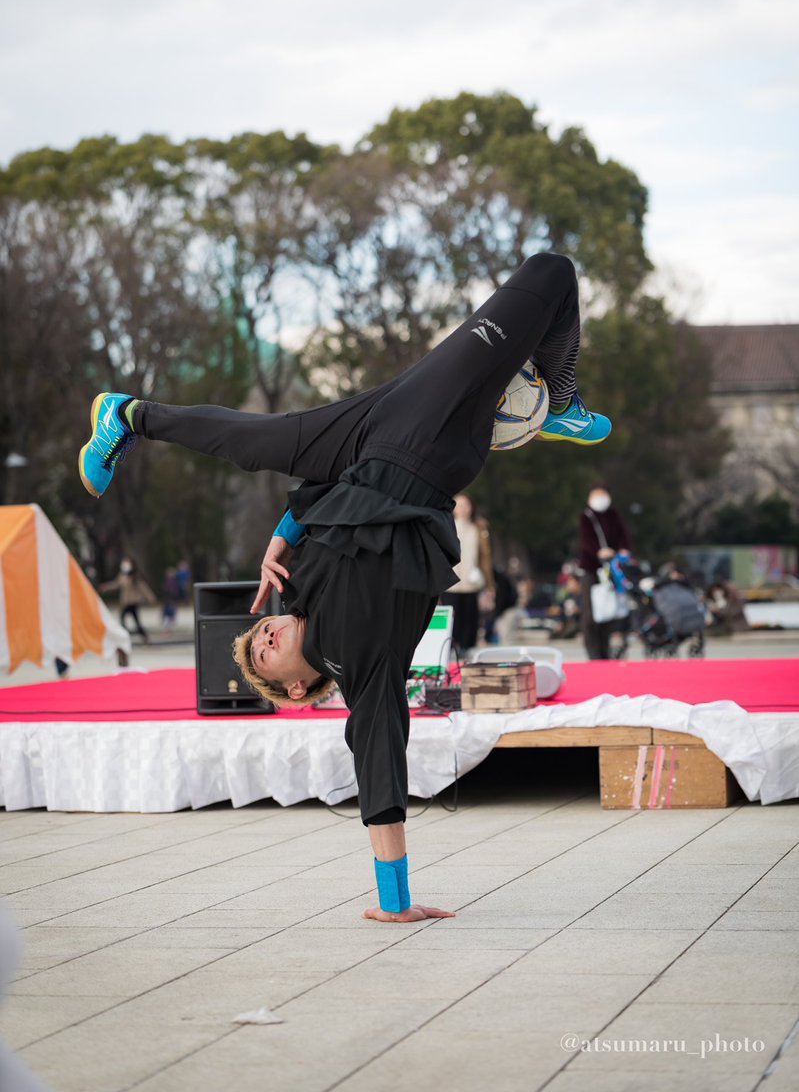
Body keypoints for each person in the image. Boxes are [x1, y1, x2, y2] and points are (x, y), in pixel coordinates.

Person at [78, 251, 611, 923]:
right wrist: (395, 901)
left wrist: (284, 533)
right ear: (297, 688)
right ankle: (554, 401)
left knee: (249, 440)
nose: (262, 634)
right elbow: (379, 766)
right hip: (421, 448)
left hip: (361, 437)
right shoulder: (360, 665)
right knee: (554, 272)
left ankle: (125, 414)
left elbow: (322, 501)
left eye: (255, 636)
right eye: (262, 656)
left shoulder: (298, 581)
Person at [578, 483, 631, 659]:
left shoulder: (614, 515)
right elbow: (586, 541)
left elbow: (624, 537)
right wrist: (598, 552)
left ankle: (605, 651)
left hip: (612, 570)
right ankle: (593, 653)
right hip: (592, 569)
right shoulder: (586, 517)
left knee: (609, 611)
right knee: (591, 613)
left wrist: (624, 550)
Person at [439, 494, 494, 654]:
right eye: (459, 505)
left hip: (472, 581)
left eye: (466, 505)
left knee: (470, 616)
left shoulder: (478, 528)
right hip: (451, 582)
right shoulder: (446, 525)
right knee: (452, 617)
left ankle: (467, 646)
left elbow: (485, 557)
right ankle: (450, 646)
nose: (463, 509)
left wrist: (489, 583)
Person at [100, 558, 155, 643]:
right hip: (125, 602)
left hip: (133, 602)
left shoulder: (135, 576)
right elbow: (116, 584)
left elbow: (143, 587)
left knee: (132, 621)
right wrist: (106, 587)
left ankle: (139, 637)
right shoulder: (122, 576)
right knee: (125, 620)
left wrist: (150, 597)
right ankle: (132, 636)